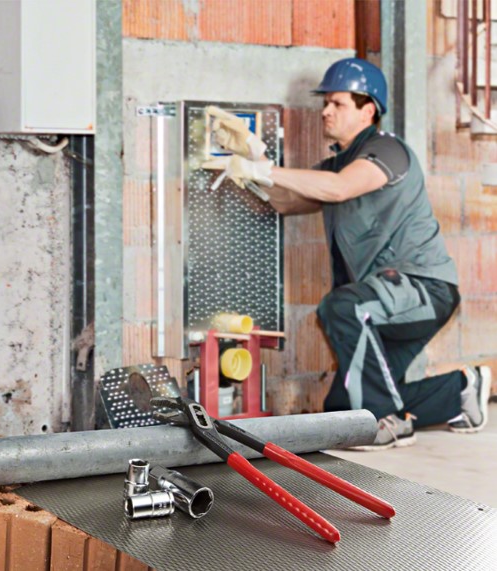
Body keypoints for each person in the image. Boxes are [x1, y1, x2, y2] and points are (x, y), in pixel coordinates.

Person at [207, 58, 491, 451]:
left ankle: (390, 424)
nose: (325, 110)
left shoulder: (388, 151)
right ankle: (461, 389)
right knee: (343, 410)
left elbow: (338, 188)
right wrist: (248, 169)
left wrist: (267, 169)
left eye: (337, 103)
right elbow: (289, 203)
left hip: (425, 290)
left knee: (341, 310)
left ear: (367, 109)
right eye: (326, 102)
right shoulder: (337, 164)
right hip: (380, 299)